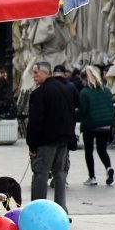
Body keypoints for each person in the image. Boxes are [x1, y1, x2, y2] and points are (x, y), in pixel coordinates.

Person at [26, 62, 76, 214]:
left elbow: (35, 122)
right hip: (64, 139)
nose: (33, 76)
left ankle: (37, 210)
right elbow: (72, 114)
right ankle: (61, 211)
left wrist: (32, 145)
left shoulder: (39, 93)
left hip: (46, 141)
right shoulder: (66, 89)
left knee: (41, 173)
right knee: (60, 174)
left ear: (46, 73)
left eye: (36, 73)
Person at [78, 66, 115, 186]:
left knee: (89, 151)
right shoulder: (106, 90)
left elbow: (83, 111)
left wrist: (74, 115)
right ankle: (109, 168)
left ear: (85, 78)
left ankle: (92, 177)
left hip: (91, 125)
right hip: (105, 125)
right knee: (102, 149)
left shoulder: (85, 92)